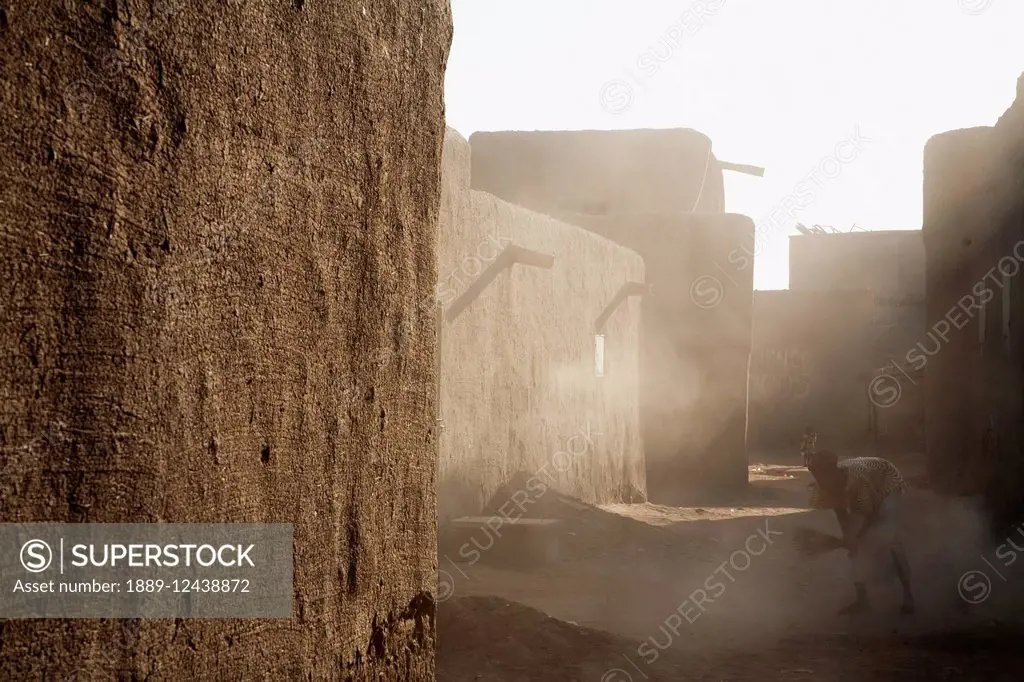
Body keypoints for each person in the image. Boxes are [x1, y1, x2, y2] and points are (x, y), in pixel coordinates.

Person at [806, 450, 915, 615]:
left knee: (890, 538)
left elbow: (870, 514)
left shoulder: (857, 481)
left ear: (831, 470)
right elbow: (840, 512)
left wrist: (856, 536)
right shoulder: (826, 485)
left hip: (887, 483)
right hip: (868, 491)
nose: (817, 478)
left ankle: (908, 596)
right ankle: (862, 601)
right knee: (857, 548)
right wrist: (848, 538)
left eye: (820, 473)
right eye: (814, 474)